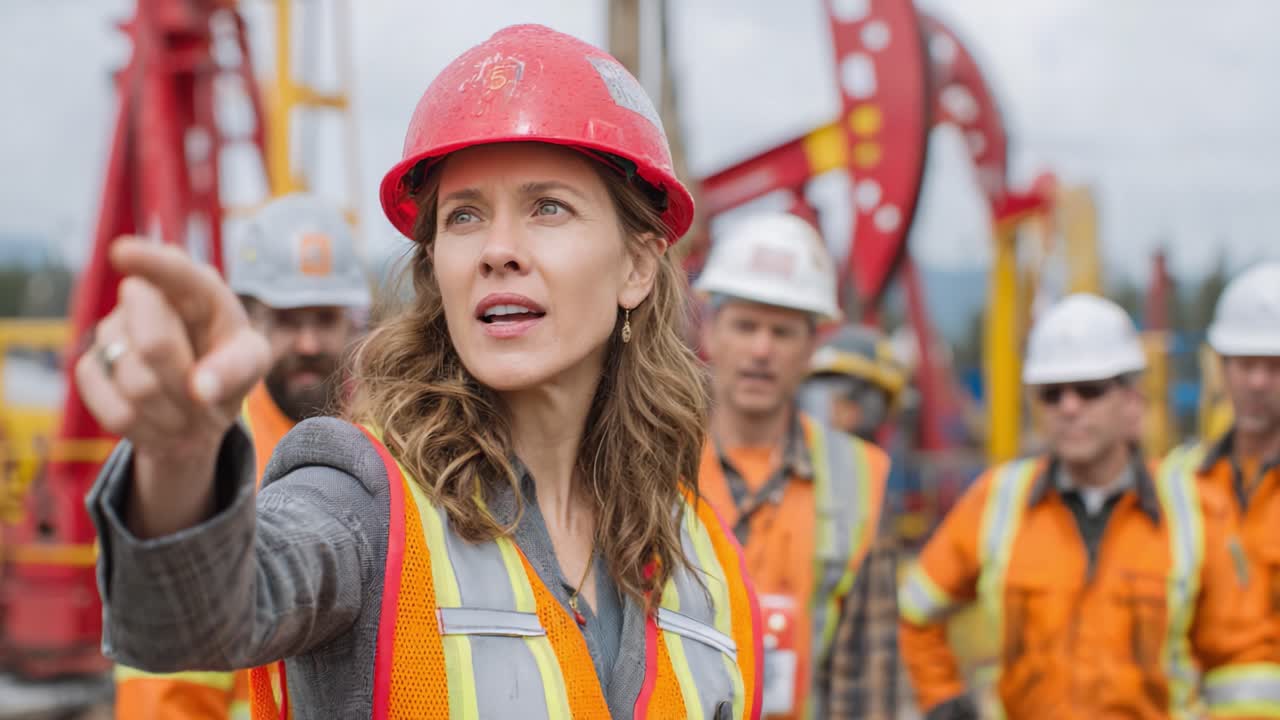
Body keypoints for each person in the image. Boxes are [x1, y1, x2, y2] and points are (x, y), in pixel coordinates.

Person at [78, 25, 761, 719]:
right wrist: (179, 468)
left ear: (638, 266)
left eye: (547, 207)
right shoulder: (361, 501)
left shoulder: (709, 563)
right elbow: (199, 615)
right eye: (464, 216)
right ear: (436, 266)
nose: (497, 250)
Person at [898, 293, 1280, 719]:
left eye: (1089, 390)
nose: (1070, 407)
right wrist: (942, 700)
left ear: (1130, 400)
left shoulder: (1197, 508)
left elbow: (1242, 661)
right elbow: (916, 612)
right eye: (1052, 394)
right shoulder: (997, 500)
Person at [111, 194, 370, 719]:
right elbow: (166, 685)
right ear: (247, 319)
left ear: (352, 323)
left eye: (324, 318)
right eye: (286, 319)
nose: (308, 341)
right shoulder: (202, 464)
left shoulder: (383, 444)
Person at [693, 213, 896, 720]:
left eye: (782, 332)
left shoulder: (860, 477)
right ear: (711, 333)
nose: (761, 350)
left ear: (811, 349)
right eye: (745, 326)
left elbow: (866, 675)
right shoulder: (650, 458)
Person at [1182, 263, 1280, 634]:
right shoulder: (1178, 483)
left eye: (1275, 366)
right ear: (1222, 367)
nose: (1258, 382)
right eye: (1246, 364)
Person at [798, 324, 906, 441]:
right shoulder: (792, 450)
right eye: (824, 388)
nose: (832, 409)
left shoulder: (875, 458)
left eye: (846, 396)